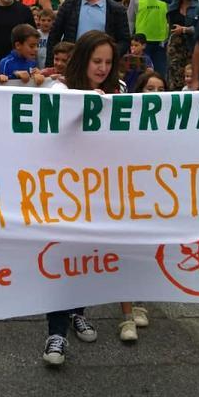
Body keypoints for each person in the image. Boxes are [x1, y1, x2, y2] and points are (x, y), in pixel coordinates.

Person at [43, 31, 120, 366]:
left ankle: (78, 312)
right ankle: (55, 333)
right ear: (82, 60)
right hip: (64, 191)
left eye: (108, 62)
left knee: (87, 258)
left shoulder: (119, 92)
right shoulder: (59, 90)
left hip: (100, 191)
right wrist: (86, 105)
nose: (102, 68)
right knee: (63, 260)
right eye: (96, 61)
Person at [46, 0, 131, 67]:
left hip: (101, 67)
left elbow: (124, 41)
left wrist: (109, 56)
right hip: (73, 64)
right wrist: (51, 65)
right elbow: (54, 35)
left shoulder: (116, 9)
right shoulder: (70, 4)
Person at [127, 0, 174, 76]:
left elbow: (171, 19)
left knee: (160, 75)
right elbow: (130, 20)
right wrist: (130, 41)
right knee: (139, 77)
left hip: (160, 44)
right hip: (141, 45)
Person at [165, 0, 199, 91]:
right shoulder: (175, 2)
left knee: (190, 73)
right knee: (174, 74)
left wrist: (185, 30)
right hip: (174, 45)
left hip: (190, 46)